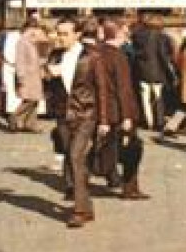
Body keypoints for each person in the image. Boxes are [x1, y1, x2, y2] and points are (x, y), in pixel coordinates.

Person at [50, 16, 102, 228]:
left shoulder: (91, 57)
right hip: (64, 114)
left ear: (77, 34)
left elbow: (103, 90)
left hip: (86, 114)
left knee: (75, 155)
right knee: (72, 158)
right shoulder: (55, 56)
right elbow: (53, 86)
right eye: (58, 33)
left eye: (65, 34)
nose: (60, 38)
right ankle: (86, 206)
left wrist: (105, 120)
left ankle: (79, 210)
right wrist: (48, 75)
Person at [98, 18, 149, 199]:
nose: (127, 35)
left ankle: (111, 177)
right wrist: (127, 116)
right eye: (125, 31)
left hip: (107, 110)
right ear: (118, 33)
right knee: (132, 149)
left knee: (110, 147)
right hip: (121, 111)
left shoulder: (99, 53)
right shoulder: (118, 56)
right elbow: (124, 88)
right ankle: (130, 187)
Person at [131, 13, 175, 133]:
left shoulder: (137, 35)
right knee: (158, 97)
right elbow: (164, 56)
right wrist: (171, 72)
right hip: (157, 72)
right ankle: (159, 122)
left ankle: (148, 122)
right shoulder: (162, 37)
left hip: (141, 71)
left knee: (145, 98)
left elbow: (135, 54)